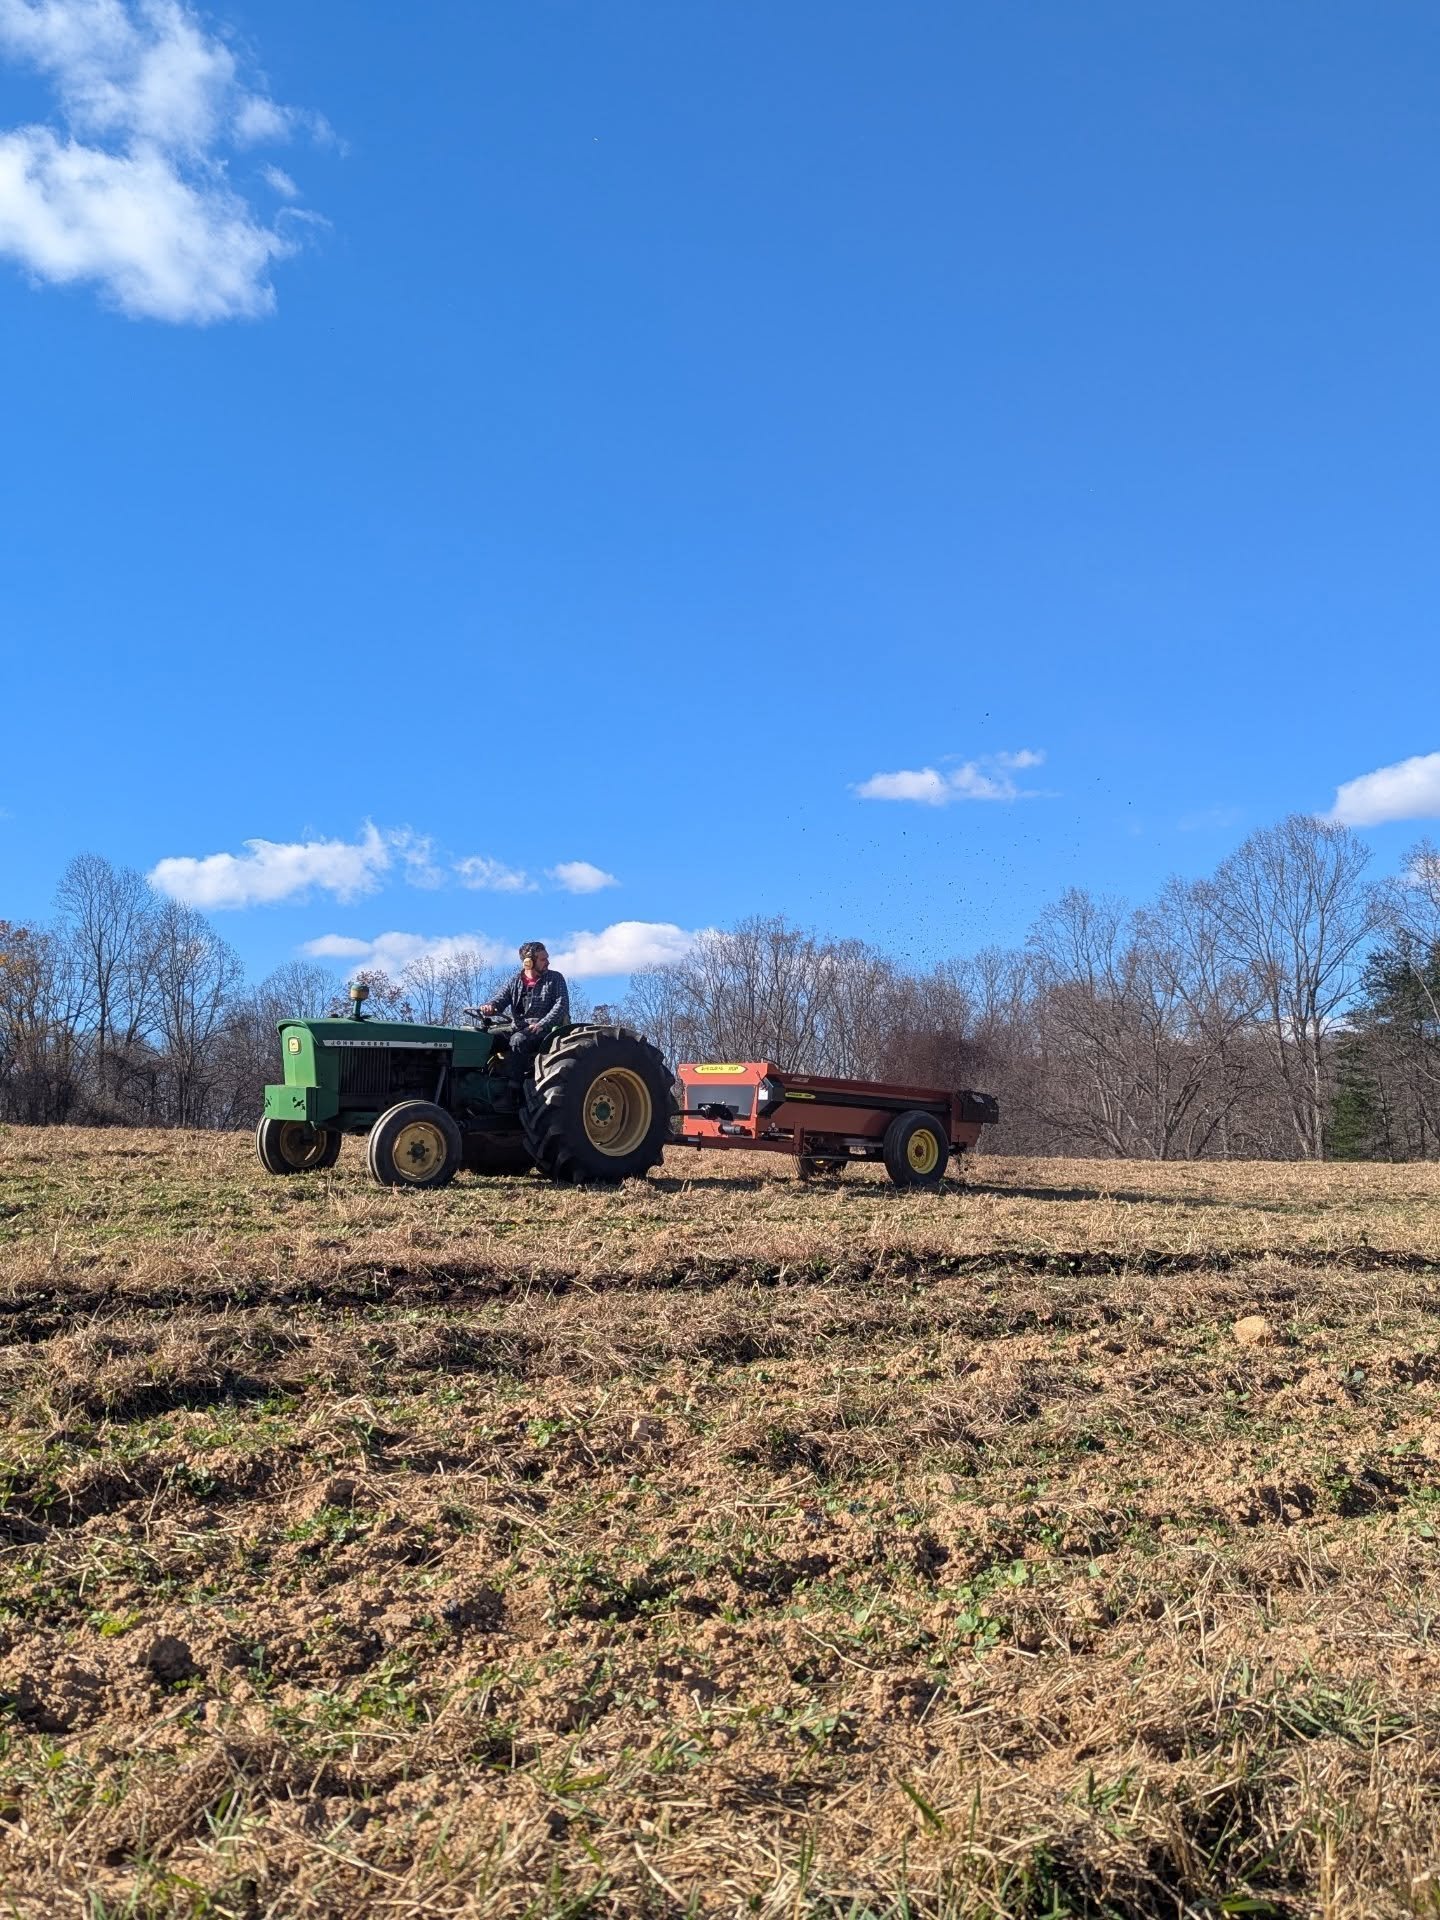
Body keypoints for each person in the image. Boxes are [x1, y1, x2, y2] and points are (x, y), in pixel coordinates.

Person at [479, 941, 570, 1073]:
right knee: (485, 1038)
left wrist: (542, 1024)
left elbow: (561, 1005)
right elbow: (500, 999)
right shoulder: (515, 981)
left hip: (544, 1030)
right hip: (518, 1028)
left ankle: (514, 1087)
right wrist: (490, 1006)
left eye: (547, 958)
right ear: (529, 962)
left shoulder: (555, 978)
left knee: (518, 1040)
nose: (548, 962)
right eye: (543, 959)